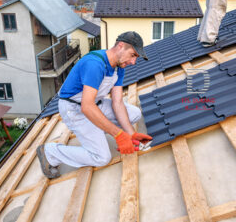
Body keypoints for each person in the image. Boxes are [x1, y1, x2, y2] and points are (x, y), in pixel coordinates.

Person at [36, 31, 153, 179]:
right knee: (102, 157)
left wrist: (131, 134)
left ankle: (96, 128)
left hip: (95, 104)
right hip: (74, 109)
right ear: (120, 46)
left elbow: (117, 102)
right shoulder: (95, 65)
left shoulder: (119, 67)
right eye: (133, 55)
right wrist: (118, 134)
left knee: (134, 113)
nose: (133, 62)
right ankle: (50, 152)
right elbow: (87, 107)